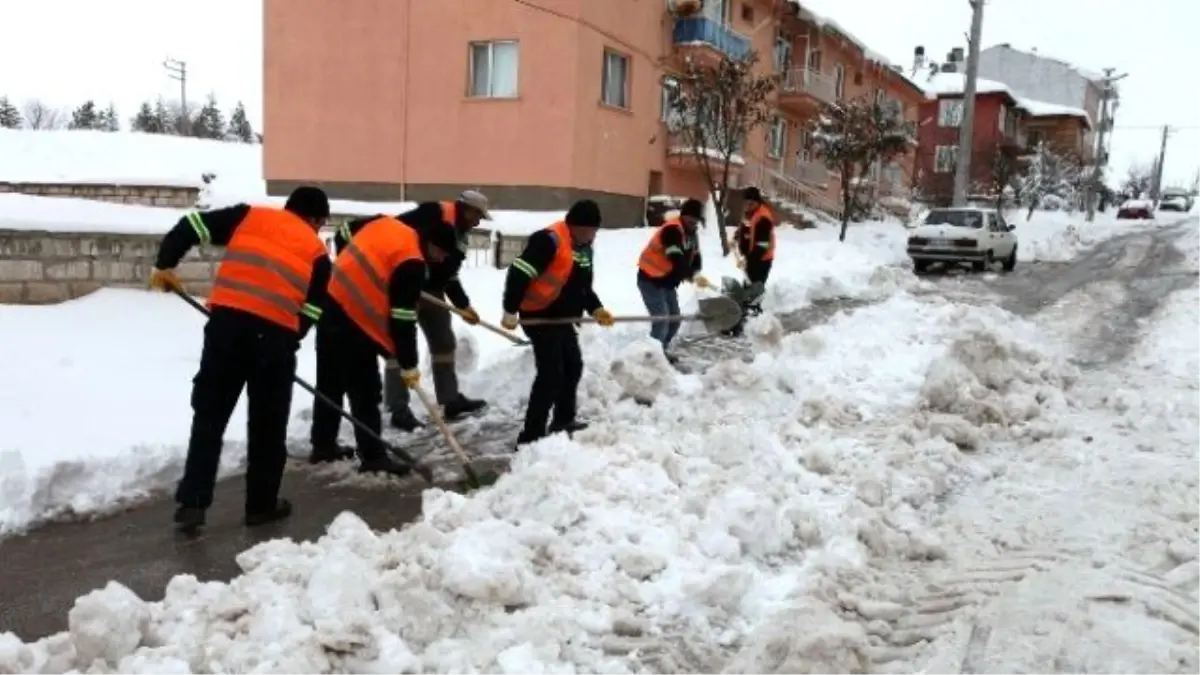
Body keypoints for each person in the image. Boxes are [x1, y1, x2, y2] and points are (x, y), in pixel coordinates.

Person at [149, 186, 332, 533]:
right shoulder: (318, 254)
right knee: (267, 426)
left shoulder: (249, 216)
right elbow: (312, 308)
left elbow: (191, 225)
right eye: (321, 223)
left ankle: (192, 503)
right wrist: (291, 338)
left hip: (226, 330)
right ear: (315, 220)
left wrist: (165, 264)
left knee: (210, 417)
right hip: (274, 343)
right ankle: (260, 506)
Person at [309, 191, 490, 455]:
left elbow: (447, 273)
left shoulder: (449, 240)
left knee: (441, 342)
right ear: (467, 209)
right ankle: (395, 414)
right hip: (376, 299)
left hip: (366, 301)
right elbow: (401, 320)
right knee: (375, 371)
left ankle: (448, 400)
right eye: (478, 216)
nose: (479, 222)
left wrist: (463, 305)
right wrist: (408, 365)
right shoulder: (426, 221)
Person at [316, 213, 430, 477]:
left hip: (332, 301)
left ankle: (323, 445)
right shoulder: (412, 261)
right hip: (355, 320)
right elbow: (403, 321)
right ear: (431, 246)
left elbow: (346, 235)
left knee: (330, 381)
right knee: (365, 390)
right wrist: (409, 364)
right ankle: (374, 456)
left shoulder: (387, 225)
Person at [500, 199, 614, 448]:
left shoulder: (583, 248)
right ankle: (531, 436)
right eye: (589, 230)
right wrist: (510, 309)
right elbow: (518, 272)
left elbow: (581, 287)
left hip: (560, 317)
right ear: (576, 226)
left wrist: (596, 308)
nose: (593, 235)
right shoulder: (549, 240)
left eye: (594, 231)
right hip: (537, 314)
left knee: (573, 365)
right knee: (551, 373)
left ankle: (563, 419)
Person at [636, 198, 710, 358]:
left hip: (667, 282)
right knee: (662, 320)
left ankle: (661, 352)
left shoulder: (691, 233)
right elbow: (675, 256)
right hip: (650, 279)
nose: (694, 222)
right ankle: (651, 358)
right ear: (683, 216)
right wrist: (689, 274)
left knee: (675, 319)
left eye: (696, 219)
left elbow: (695, 256)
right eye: (691, 218)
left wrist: (696, 273)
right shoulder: (672, 230)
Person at [734, 186, 776, 289]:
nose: (748, 206)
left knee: (753, 292)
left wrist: (748, 260)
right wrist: (735, 237)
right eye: (746, 203)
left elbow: (762, 245)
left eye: (751, 204)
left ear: (757, 202)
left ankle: (753, 305)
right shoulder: (750, 213)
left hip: (761, 260)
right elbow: (744, 229)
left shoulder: (763, 218)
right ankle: (745, 304)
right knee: (747, 288)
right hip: (751, 257)